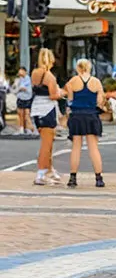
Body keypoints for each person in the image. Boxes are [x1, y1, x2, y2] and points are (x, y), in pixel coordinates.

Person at [63, 58, 105, 188]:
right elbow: (100, 101)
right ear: (89, 67)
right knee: (93, 147)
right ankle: (98, 178)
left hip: (77, 116)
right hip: (91, 115)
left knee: (76, 147)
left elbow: (69, 101)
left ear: (78, 68)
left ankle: (73, 178)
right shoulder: (96, 82)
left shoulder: (72, 81)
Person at [30, 49, 64, 186]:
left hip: (36, 108)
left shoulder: (34, 73)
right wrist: (62, 93)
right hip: (47, 110)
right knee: (47, 144)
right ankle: (41, 173)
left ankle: (49, 169)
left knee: (47, 142)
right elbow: (52, 95)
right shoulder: (49, 76)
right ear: (51, 60)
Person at [12, 66, 33, 135]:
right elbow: (15, 89)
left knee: (26, 114)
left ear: (25, 71)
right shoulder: (18, 80)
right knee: (20, 114)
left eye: (21, 71)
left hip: (27, 98)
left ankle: (28, 128)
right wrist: (19, 88)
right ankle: (21, 128)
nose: (19, 72)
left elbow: (27, 89)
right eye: (19, 71)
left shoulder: (28, 79)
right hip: (20, 98)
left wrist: (21, 88)